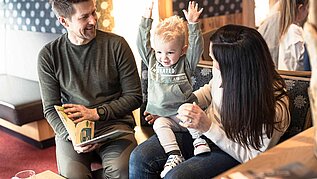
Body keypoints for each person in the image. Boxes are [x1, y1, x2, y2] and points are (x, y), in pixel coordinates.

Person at [129, 24, 291, 179]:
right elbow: (209, 90)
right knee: (140, 157)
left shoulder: (275, 107)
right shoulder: (225, 73)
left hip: (232, 151)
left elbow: (253, 157)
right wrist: (170, 107)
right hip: (203, 134)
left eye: (215, 61)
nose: (213, 65)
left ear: (237, 68)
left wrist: (208, 127)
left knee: (177, 176)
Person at [37, 0, 142, 178]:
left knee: (122, 171)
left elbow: (135, 96)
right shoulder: (49, 55)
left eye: (93, 12)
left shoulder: (117, 45)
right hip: (73, 130)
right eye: (84, 17)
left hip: (114, 126)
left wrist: (97, 113)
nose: (93, 20)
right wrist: (70, 136)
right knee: (73, 176)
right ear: (64, 21)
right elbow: (50, 108)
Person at [137, 1, 207, 177]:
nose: (164, 58)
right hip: (165, 118)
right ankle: (174, 155)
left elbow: (197, 47)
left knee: (187, 110)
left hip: (184, 115)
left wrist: (193, 25)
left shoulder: (186, 64)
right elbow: (141, 44)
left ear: (182, 50)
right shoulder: (152, 61)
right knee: (159, 125)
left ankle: (199, 140)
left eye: (170, 52)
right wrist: (146, 19)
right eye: (159, 52)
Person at [278, 0, 310, 71]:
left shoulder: (290, 29)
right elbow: (301, 57)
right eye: (308, 8)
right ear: (300, 8)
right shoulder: (293, 29)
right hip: (295, 80)